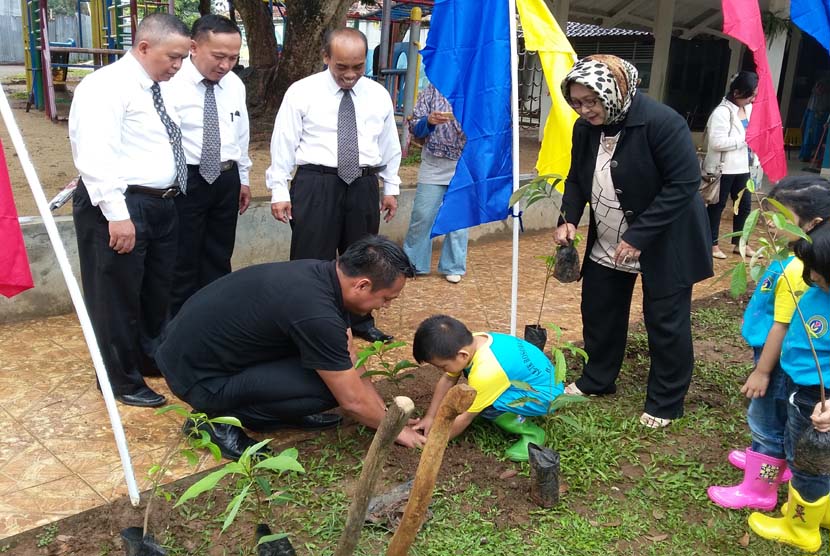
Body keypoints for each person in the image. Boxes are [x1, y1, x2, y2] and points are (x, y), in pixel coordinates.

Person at [155, 235, 426, 460]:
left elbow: (350, 357)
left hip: (202, 355)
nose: (385, 306)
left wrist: (388, 416)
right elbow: (352, 400)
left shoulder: (325, 277)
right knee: (327, 389)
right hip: (200, 379)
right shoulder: (317, 312)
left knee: (336, 372)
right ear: (362, 285)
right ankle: (215, 420)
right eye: (386, 298)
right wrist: (397, 433)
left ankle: (271, 414)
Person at [554, 54, 713, 428]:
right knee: (600, 309)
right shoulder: (585, 128)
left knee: (665, 320)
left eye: (591, 101)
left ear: (615, 89)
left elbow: (683, 184)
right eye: (576, 102)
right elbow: (577, 177)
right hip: (609, 236)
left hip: (664, 238)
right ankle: (597, 380)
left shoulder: (662, 123)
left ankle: (665, 402)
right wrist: (568, 219)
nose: (584, 109)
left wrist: (639, 235)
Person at [68, 13, 191, 407]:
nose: (178, 65)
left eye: (182, 58)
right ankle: (118, 378)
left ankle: (147, 357)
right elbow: (96, 153)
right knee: (115, 296)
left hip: (161, 203)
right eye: (172, 57)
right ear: (143, 47)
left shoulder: (161, 86)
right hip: (120, 204)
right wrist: (116, 214)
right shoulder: (105, 87)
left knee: (156, 291)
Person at [266, 27, 401, 344]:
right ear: (326, 57)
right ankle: (304, 322)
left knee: (366, 256)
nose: (350, 74)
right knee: (311, 257)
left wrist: (391, 187)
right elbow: (283, 144)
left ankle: (360, 320)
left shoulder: (377, 94)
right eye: (342, 67)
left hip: (363, 183)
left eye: (358, 66)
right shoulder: (302, 92)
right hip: (317, 183)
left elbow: (389, 143)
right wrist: (280, 190)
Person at [707, 177, 830, 512]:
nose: (768, 225)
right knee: (775, 419)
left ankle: (760, 486)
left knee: (767, 421)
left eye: (780, 218)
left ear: (812, 224)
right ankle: (769, 461)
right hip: (775, 353)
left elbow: (782, 323)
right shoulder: (793, 258)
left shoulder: (799, 269)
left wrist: (762, 370)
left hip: (775, 357)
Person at [748, 221, 830, 553]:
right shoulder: (818, 291)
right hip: (804, 386)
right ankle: (819, 510)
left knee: (807, 461)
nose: (810, 276)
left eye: (818, 272)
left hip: (817, 399)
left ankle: (800, 527)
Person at [167, 14, 252, 316]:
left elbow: (241, 135)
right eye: (218, 56)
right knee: (183, 258)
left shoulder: (234, 85)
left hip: (225, 178)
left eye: (233, 57)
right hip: (186, 178)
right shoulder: (170, 83)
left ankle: (213, 321)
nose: (225, 65)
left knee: (219, 256)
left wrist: (243, 177)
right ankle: (176, 326)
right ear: (193, 46)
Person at [411, 315, 563, 462]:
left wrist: (435, 441)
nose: (443, 370)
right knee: (484, 394)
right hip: (533, 380)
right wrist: (430, 417)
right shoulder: (473, 341)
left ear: (462, 355)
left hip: (547, 396)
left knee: (488, 404)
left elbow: (465, 417)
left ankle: (532, 434)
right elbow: (448, 378)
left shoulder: (486, 371)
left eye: (443, 366)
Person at [402, 84, 468, 284]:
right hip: (433, 162)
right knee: (422, 214)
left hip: (463, 164)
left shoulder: (472, 86)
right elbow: (416, 128)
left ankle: (453, 265)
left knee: (459, 221)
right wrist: (429, 121)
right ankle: (413, 262)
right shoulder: (430, 90)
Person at [703, 71, 760, 260]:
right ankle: (712, 244)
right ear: (737, 93)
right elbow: (717, 142)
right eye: (750, 95)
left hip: (743, 167)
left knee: (744, 207)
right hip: (723, 168)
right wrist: (745, 139)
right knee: (717, 207)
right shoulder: (721, 112)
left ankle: (740, 243)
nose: (752, 99)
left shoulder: (749, 110)